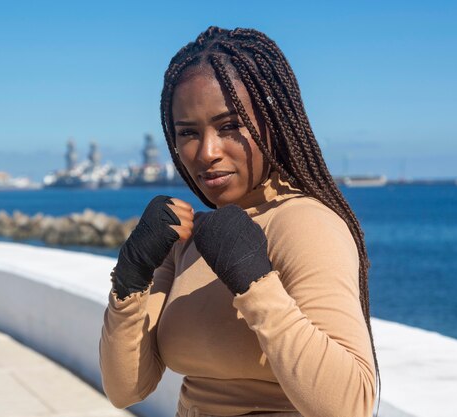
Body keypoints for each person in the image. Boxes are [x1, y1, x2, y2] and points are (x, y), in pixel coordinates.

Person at [100, 26, 379, 417]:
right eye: (188, 133)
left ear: (273, 123)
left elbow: (351, 405)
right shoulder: (188, 238)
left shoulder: (305, 223)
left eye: (230, 126)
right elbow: (124, 388)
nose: (207, 152)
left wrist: (254, 282)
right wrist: (131, 275)